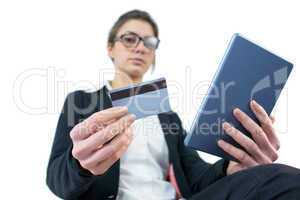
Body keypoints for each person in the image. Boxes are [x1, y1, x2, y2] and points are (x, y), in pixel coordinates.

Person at [46, 9, 300, 200]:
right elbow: (56, 178)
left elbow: (196, 177)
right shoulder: (82, 101)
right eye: (129, 39)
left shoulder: (166, 116)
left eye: (149, 42)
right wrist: (80, 165)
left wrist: (232, 168)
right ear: (110, 48)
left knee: (282, 178)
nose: (140, 48)